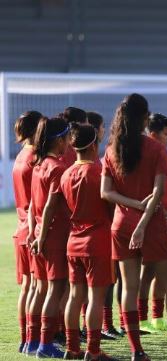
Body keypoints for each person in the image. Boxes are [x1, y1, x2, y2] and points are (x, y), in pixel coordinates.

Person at [101, 93, 167, 361]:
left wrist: (132, 205)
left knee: (130, 288)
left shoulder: (111, 150)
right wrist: (143, 220)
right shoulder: (156, 149)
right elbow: (159, 191)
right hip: (152, 224)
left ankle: (137, 352)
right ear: (144, 118)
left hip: (121, 224)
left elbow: (106, 192)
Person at [60, 123, 117, 361]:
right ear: (94, 145)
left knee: (75, 296)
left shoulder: (65, 173)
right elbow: (112, 206)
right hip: (97, 241)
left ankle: (72, 348)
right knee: (95, 297)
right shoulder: (98, 172)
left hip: (74, 242)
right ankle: (93, 350)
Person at [28, 116, 72, 358]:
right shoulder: (57, 168)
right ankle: (45, 343)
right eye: (66, 138)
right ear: (58, 140)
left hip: (40, 235)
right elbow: (49, 207)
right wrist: (43, 238)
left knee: (40, 289)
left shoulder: (39, 165)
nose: (68, 144)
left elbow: (34, 203)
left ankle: (32, 341)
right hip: (53, 236)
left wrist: (36, 235)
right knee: (55, 290)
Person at [138, 113, 167, 333]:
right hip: (151, 220)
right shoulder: (145, 153)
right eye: (165, 133)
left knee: (166, 269)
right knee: (149, 270)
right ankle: (142, 318)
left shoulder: (165, 153)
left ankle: (157, 316)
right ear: (152, 133)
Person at [87, 111, 123, 340]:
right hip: (100, 231)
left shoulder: (95, 160)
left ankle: (102, 326)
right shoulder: (94, 166)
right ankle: (103, 326)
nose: (104, 130)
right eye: (101, 127)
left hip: (94, 231)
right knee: (107, 279)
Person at [12, 110, 42, 353]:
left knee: (27, 287)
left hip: (20, 229)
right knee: (38, 287)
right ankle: (34, 340)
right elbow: (36, 200)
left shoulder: (20, 155)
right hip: (34, 230)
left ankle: (25, 339)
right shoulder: (35, 158)